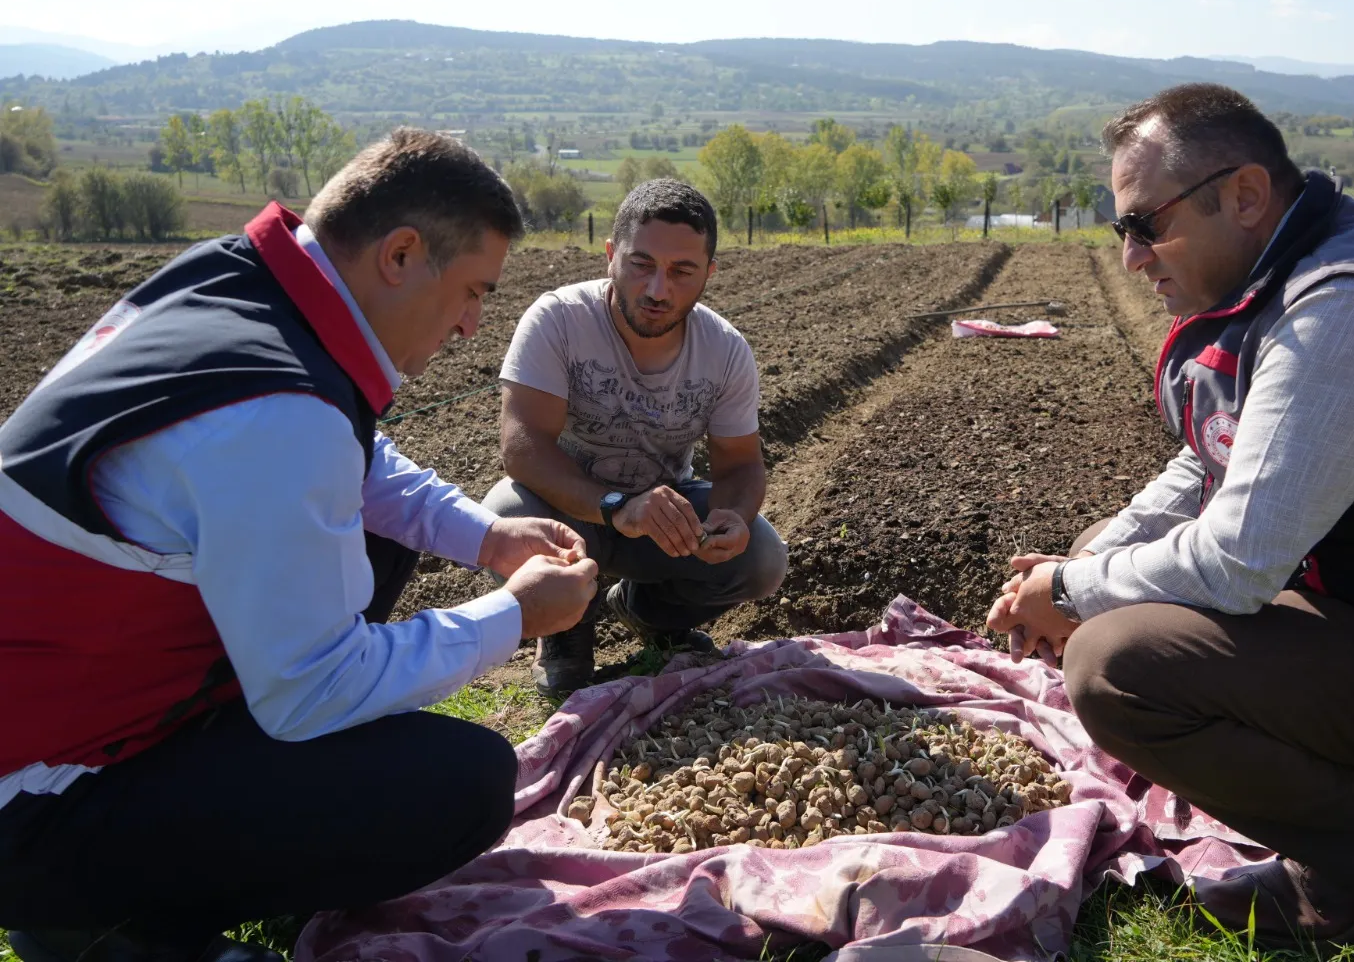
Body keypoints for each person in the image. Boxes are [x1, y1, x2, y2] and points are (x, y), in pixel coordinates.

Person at [987, 84, 1354, 944]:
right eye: (1121, 228)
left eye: (1146, 223)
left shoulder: (1351, 309)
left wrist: (1075, 596)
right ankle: (1327, 791)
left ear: (1244, 196)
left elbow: (1238, 560)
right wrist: (1077, 570)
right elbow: (1210, 459)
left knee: (1115, 664)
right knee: (1102, 566)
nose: (1132, 255)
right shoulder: (1287, 272)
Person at [0, 129, 599, 962]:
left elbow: (352, 462)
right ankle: (112, 928)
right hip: (40, 799)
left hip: (72, 706)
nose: (471, 325)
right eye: (471, 292)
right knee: (461, 785)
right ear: (400, 254)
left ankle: (122, 879)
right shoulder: (279, 416)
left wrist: (488, 536)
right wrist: (514, 617)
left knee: (376, 540)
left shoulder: (241, 283)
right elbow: (313, 691)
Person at [485, 178, 787, 697]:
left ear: (709, 274)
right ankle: (565, 633)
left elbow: (740, 465)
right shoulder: (559, 320)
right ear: (610, 255)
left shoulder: (725, 351)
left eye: (682, 271)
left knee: (761, 557)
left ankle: (648, 613)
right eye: (641, 264)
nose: (657, 289)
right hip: (570, 509)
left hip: (664, 526)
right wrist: (617, 505)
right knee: (507, 514)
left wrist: (733, 517)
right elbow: (524, 446)